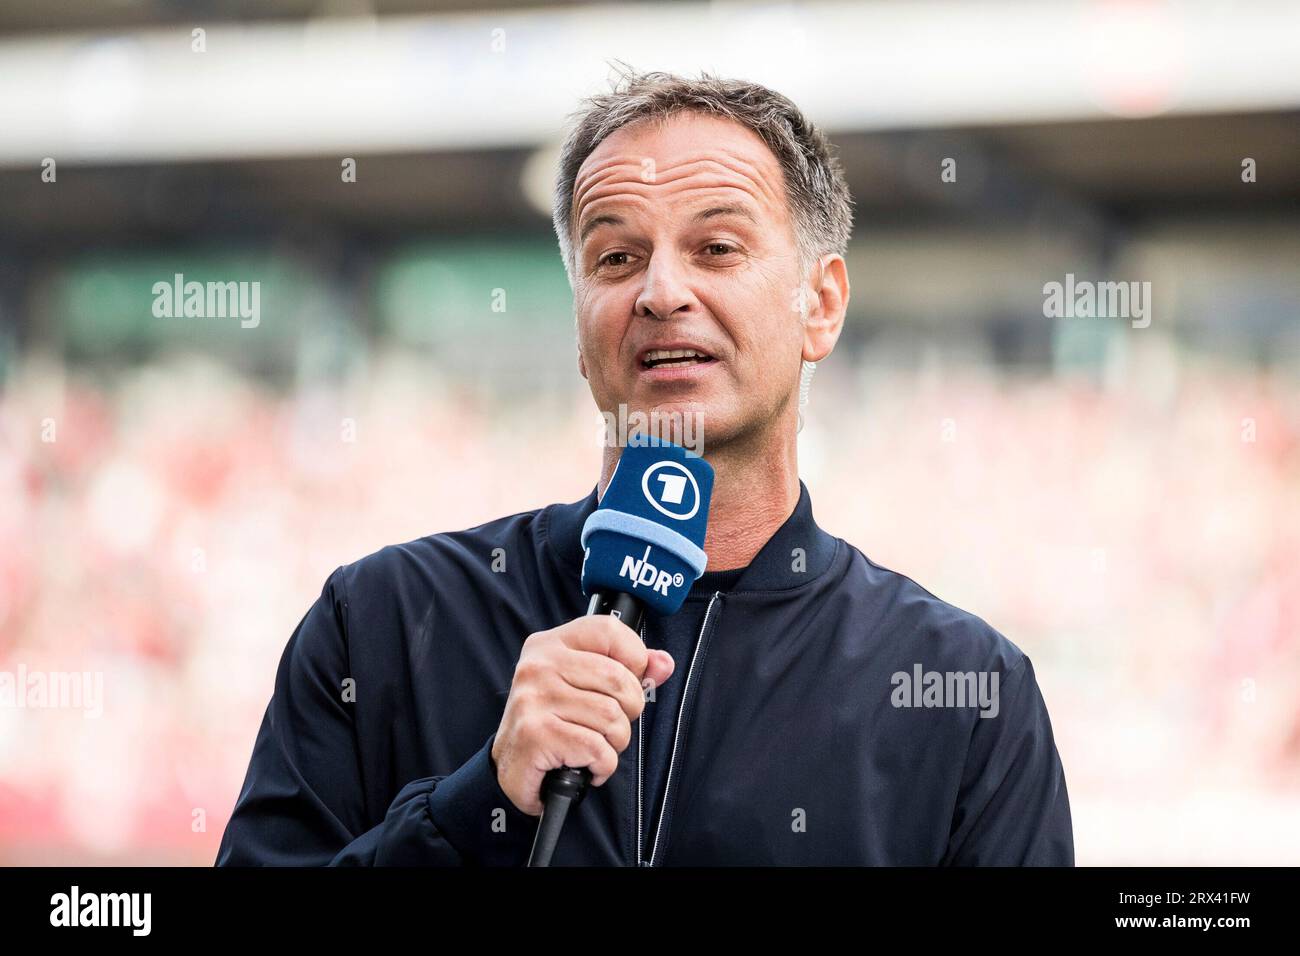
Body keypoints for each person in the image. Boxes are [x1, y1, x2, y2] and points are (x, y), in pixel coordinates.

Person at [216, 68, 1073, 866]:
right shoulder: (379, 623)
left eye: (718, 249)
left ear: (821, 304)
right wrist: (480, 805)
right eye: (617, 259)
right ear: (581, 332)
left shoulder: (967, 697)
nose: (661, 292)